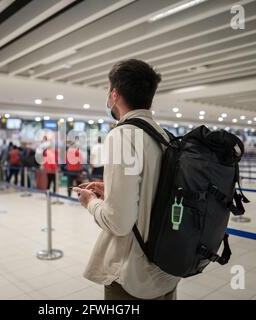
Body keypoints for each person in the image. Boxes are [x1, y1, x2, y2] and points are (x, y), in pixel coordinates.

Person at [73, 59, 180, 300]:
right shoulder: (165, 137)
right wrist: (110, 190)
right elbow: (152, 193)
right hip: (166, 269)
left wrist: (91, 202)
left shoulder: (122, 135)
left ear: (114, 94)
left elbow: (119, 222)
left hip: (133, 276)